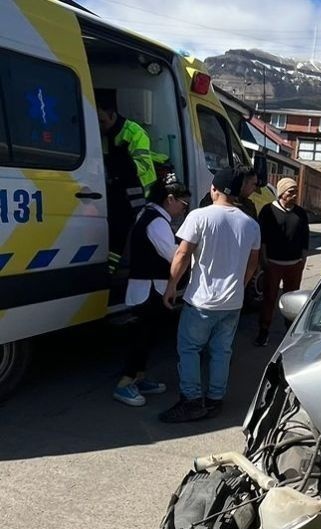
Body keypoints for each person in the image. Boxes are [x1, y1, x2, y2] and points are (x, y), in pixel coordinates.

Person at [159, 167, 261, 423]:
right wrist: (239, 285)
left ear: (214, 189)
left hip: (202, 301)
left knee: (190, 349)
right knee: (221, 352)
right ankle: (215, 400)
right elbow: (252, 264)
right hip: (232, 303)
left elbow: (182, 254)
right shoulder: (250, 224)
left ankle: (192, 401)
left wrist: (171, 286)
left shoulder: (199, 216)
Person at [112, 177, 190, 407]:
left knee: (149, 335)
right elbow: (173, 255)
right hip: (147, 289)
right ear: (170, 199)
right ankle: (124, 384)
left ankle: (139, 377)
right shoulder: (156, 222)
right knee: (141, 337)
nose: (183, 211)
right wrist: (190, 253)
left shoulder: (149, 215)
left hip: (149, 288)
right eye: (183, 205)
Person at [96, 89, 159, 274]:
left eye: (102, 121)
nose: (100, 126)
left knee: (120, 228)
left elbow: (141, 167)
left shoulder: (134, 132)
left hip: (138, 191)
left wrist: (119, 162)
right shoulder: (100, 132)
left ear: (112, 115)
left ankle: (111, 272)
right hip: (114, 187)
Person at [255, 177, 310, 347]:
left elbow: (305, 239)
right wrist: (263, 258)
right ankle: (264, 331)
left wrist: (303, 259)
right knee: (269, 298)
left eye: (295, 192)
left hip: (294, 264)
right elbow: (261, 237)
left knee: (291, 300)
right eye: (290, 192)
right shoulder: (267, 211)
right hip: (273, 263)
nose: (294, 195)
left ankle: (289, 332)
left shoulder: (300, 213)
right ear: (281, 193)